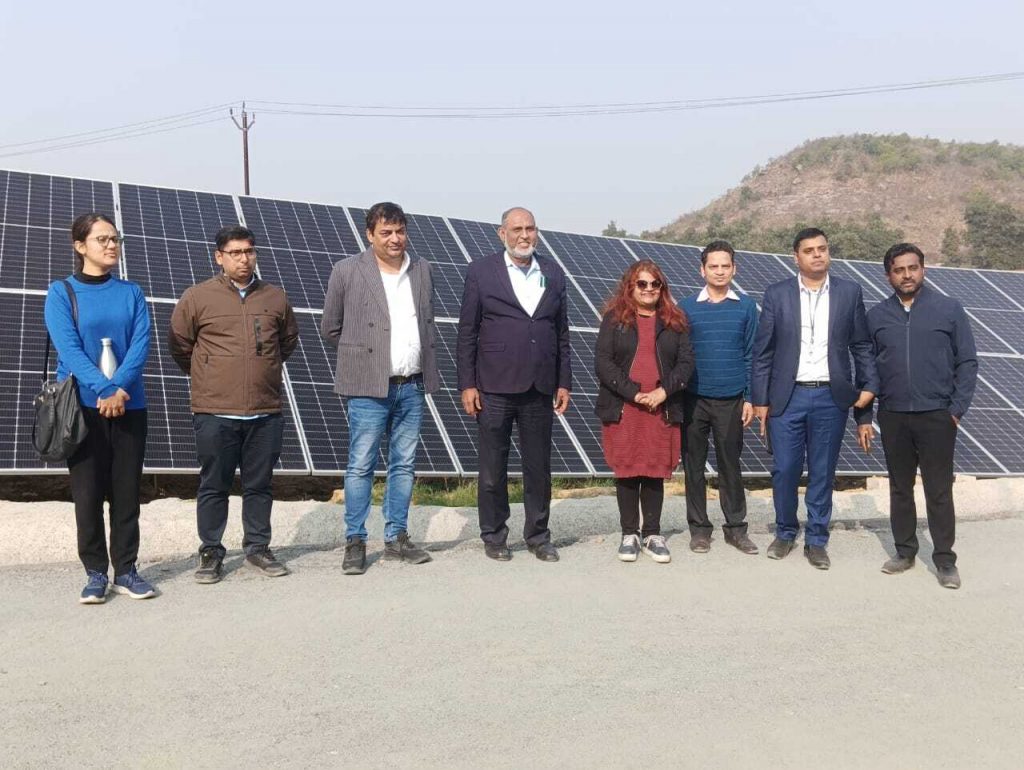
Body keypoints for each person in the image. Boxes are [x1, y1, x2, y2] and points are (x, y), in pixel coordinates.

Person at [169, 225, 298, 583]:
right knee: (214, 484)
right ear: (219, 257)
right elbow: (179, 345)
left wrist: (261, 371)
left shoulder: (275, 297)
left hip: (265, 409)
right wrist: (212, 376)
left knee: (260, 484)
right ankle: (211, 550)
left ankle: (257, 548)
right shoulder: (197, 297)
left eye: (249, 251)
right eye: (236, 253)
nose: (244, 259)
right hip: (215, 410)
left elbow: (287, 343)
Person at [321, 202, 439, 575]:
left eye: (400, 231)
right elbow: (331, 327)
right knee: (361, 465)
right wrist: (366, 355)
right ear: (369, 235)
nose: (394, 238)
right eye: (385, 232)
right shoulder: (347, 270)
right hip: (368, 388)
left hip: (412, 385)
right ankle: (355, 541)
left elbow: (426, 320)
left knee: (404, 464)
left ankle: (396, 537)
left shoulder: (421, 269)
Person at [751, 228, 878, 570]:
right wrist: (760, 399)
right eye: (809, 250)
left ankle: (817, 539)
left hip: (830, 397)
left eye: (822, 248)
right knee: (785, 469)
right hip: (786, 397)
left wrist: (868, 388)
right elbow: (763, 352)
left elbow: (862, 346)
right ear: (796, 257)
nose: (818, 254)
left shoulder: (849, 292)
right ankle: (785, 532)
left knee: (822, 471)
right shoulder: (777, 294)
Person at [44, 213, 153, 603]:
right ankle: (94, 573)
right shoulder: (62, 292)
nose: (111, 246)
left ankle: (126, 570)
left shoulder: (132, 292)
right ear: (80, 246)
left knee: (127, 493)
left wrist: (118, 388)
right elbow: (69, 349)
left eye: (115, 239)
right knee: (87, 494)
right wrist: (104, 388)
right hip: (82, 408)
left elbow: (141, 343)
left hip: (129, 405)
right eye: (102, 239)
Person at [456, 207, 571, 562]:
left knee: (539, 468)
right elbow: (467, 332)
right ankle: (494, 535)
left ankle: (538, 536)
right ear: (502, 233)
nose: (524, 235)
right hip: (494, 385)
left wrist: (563, 381)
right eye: (517, 229)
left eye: (530, 228)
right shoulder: (481, 271)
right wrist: (467, 384)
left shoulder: (552, 272)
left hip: (540, 386)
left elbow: (561, 333)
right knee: (493, 468)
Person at [868, 243, 977, 589]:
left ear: (923, 270)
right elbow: (867, 369)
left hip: (937, 416)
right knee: (900, 487)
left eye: (912, 268)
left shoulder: (948, 309)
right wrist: (865, 416)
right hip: (894, 415)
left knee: (939, 490)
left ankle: (945, 560)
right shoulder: (876, 316)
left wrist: (956, 410)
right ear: (888, 276)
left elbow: (967, 361)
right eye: (899, 270)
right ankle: (904, 552)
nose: (907, 275)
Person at [596, 260, 694, 563]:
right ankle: (630, 534)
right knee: (627, 470)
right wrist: (635, 393)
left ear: (662, 287)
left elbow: (686, 363)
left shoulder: (675, 321)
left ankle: (652, 534)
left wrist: (663, 392)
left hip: (662, 407)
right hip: (625, 406)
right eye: (642, 283)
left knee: (654, 470)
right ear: (630, 286)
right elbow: (603, 363)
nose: (648, 289)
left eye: (655, 284)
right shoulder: (615, 319)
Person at [679, 240, 759, 555]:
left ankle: (736, 530)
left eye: (726, 266)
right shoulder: (686, 307)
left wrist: (750, 397)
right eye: (713, 266)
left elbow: (751, 355)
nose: (720, 271)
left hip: (732, 399)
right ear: (702, 270)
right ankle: (699, 531)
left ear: (734, 269)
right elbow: (680, 354)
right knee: (693, 467)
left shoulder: (746, 307)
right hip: (693, 399)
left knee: (730, 466)